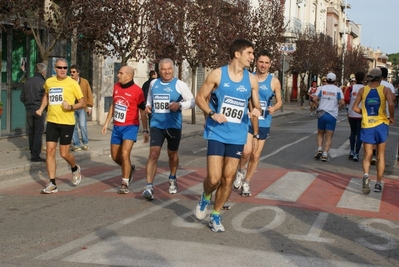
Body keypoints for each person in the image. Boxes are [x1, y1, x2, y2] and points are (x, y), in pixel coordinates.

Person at [193, 39, 261, 232]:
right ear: (237, 54)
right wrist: (212, 113)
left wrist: (256, 110)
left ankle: (215, 215)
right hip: (217, 132)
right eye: (249, 53)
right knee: (214, 179)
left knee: (228, 178)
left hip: (238, 135)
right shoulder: (217, 74)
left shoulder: (251, 79)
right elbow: (199, 97)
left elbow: (256, 105)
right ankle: (206, 197)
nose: (252, 57)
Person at [142, 58, 195, 200]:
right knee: (153, 154)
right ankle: (149, 186)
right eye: (163, 69)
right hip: (157, 125)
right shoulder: (153, 83)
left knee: (172, 155)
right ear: (159, 71)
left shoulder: (179, 85)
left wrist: (179, 106)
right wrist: (148, 107)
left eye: (169, 69)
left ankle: (172, 178)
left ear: (173, 69)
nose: (166, 72)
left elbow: (192, 101)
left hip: (173, 126)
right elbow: (149, 99)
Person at [233, 50, 282, 197]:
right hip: (247, 119)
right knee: (246, 151)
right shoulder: (248, 77)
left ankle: (246, 182)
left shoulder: (274, 81)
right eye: (261, 62)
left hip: (263, 121)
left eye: (266, 63)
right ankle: (241, 171)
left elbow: (280, 100)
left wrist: (274, 107)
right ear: (256, 62)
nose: (263, 65)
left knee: (255, 155)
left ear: (270, 65)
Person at [36, 58, 85, 194]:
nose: (63, 70)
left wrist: (70, 106)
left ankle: (75, 168)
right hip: (52, 121)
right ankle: (52, 183)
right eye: (60, 67)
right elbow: (46, 95)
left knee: (64, 153)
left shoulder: (73, 83)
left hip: (67, 122)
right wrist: (41, 108)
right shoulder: (49, 82)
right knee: (50, 151)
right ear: (55, 68)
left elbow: (82, 103)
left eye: (65, 68)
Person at [102, 66, 149, 194]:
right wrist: (106, 122)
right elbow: (114, 104)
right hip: (117, 127)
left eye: (121, 73)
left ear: (129, 76)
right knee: (115, 156)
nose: (118, 75)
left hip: (131, 126)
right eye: (118, 73)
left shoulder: (137, 91)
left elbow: (142, 111)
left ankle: (124, 182)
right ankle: (130, 168)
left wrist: (145, 130)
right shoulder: (116, 87)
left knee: (124, 154)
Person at [352, 68, 394, 194]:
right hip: (381, 124)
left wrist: (364, 113)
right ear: (381, 78)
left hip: (367, 125)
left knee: (367, 155)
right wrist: (391, 116)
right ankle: (378, 183)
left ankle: (366, 176)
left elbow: (354, 108)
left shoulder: (362, 90)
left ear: (369, 77)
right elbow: (391, 104)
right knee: (380, 155)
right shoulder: (385, 90)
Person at [313, 72, 344, 162]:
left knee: (320, 133)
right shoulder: (338, 90)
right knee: (329, 136)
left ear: (326, 79)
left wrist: (318, 104)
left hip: (322, 113)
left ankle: (319, 149)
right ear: (335, 80)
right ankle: (325, 154)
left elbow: (314, 98)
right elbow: (342, 102)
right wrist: (338, 108)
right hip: (332, 115)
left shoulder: (321, 88)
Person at [20, 63, 47, 162]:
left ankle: (33, 152)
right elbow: (45, 98)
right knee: (38, 132)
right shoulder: (43, 82)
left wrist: (27, 105)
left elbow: (22, 97)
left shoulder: (28, 82)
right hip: (39, 109)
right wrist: (43, 108)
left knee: (31, 132)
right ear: (43, 72)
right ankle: (35, 155)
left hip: (29, 109)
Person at [70, 65, 94, 151]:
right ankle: (76, 144)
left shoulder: (84, 82)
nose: (72, 74)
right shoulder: (68, 82)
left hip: (82, 107)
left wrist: (90, 106)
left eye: (73, 72)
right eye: (71, 72)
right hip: (72, 108)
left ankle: (85, 143)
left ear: (78, 73)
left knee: (83, 125)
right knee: (73, 126)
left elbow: (89, 94)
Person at [344, 72, 365, 162]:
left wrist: (351, 102)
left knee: (353, 133)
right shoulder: (366, 88)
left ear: (355, 78)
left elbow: (346, 99)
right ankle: (357, 154)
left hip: (352, 113)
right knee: (360, 134)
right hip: (362, 114)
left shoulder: (351, 88)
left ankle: (351, 151)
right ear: (363, 78)